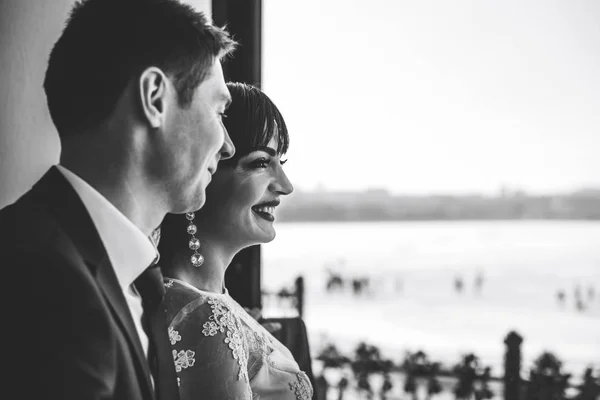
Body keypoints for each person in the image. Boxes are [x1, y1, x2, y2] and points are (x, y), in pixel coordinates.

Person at [0, 0, 236, 399]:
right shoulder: (43, 278)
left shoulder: (119, 276)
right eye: (218, 111)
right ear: (155, 98)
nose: (227, 145)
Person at [157, 82, 313, 399]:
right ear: (203, 172)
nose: (285, 186)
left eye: (280, 164)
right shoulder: (202, 314)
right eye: (259, 163)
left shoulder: (203, 301)